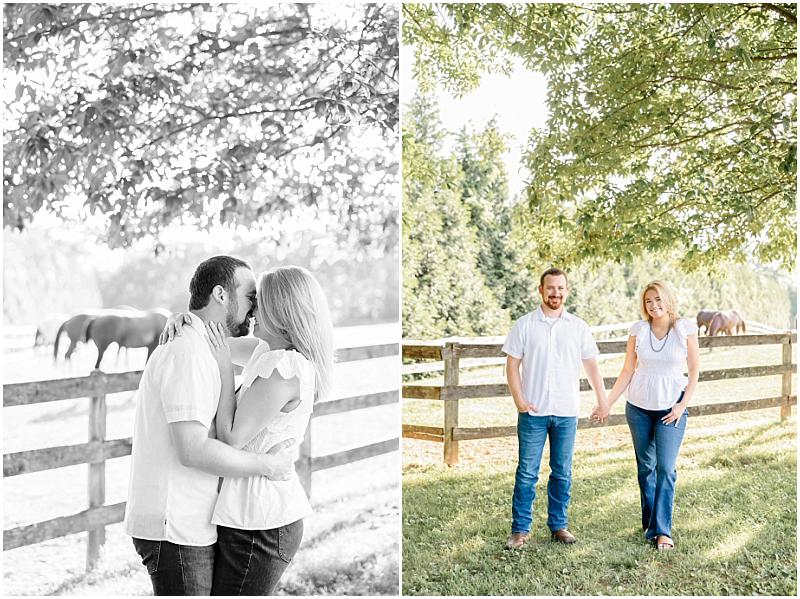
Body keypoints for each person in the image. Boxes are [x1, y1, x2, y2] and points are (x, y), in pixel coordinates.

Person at [124, 256, 297, 596]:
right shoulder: (187, 352)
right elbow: (193, 450)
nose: (255, 309)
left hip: (190, 519)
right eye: (251, 297)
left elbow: (275, 347)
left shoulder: (204, 343)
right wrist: (267, 465)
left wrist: (186, 318)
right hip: (173, 522)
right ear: (220, 294)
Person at [162, 265, 334, 595]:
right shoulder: (264, 353)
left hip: (262, 523)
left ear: (280, 310)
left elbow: (232, 437)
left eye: (258, 301)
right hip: (247, 516)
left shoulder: (284, 369)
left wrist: (227, 374)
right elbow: (209, 340)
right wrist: (180, 320)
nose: (251, 310)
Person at [590, 280, 699, 551]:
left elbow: (695, 371)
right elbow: (628, 370)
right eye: (649, 301)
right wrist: (607, 402)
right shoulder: (638, 330)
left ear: (668, 299)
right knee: (645, 468)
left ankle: (663, 531)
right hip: (638, 407)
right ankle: (651, 523)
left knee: (666, 468)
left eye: (658, 299)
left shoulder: (684, 328)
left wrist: (682, 405)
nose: (654, 305)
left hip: (671, 409)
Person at [502, 267, 607, 549]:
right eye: (550, 288)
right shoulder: (524, 325)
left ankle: (558, 526)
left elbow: (592, 367)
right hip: (533, 412)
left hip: (566, 411)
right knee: (526, 472)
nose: (555, 293)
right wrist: (519, 401)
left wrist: (602, 400)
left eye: (560, 288)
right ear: (540, 290)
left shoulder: (578, 327)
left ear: (567, 291)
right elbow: (512, 366)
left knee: (562, 472)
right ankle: (520, 530)